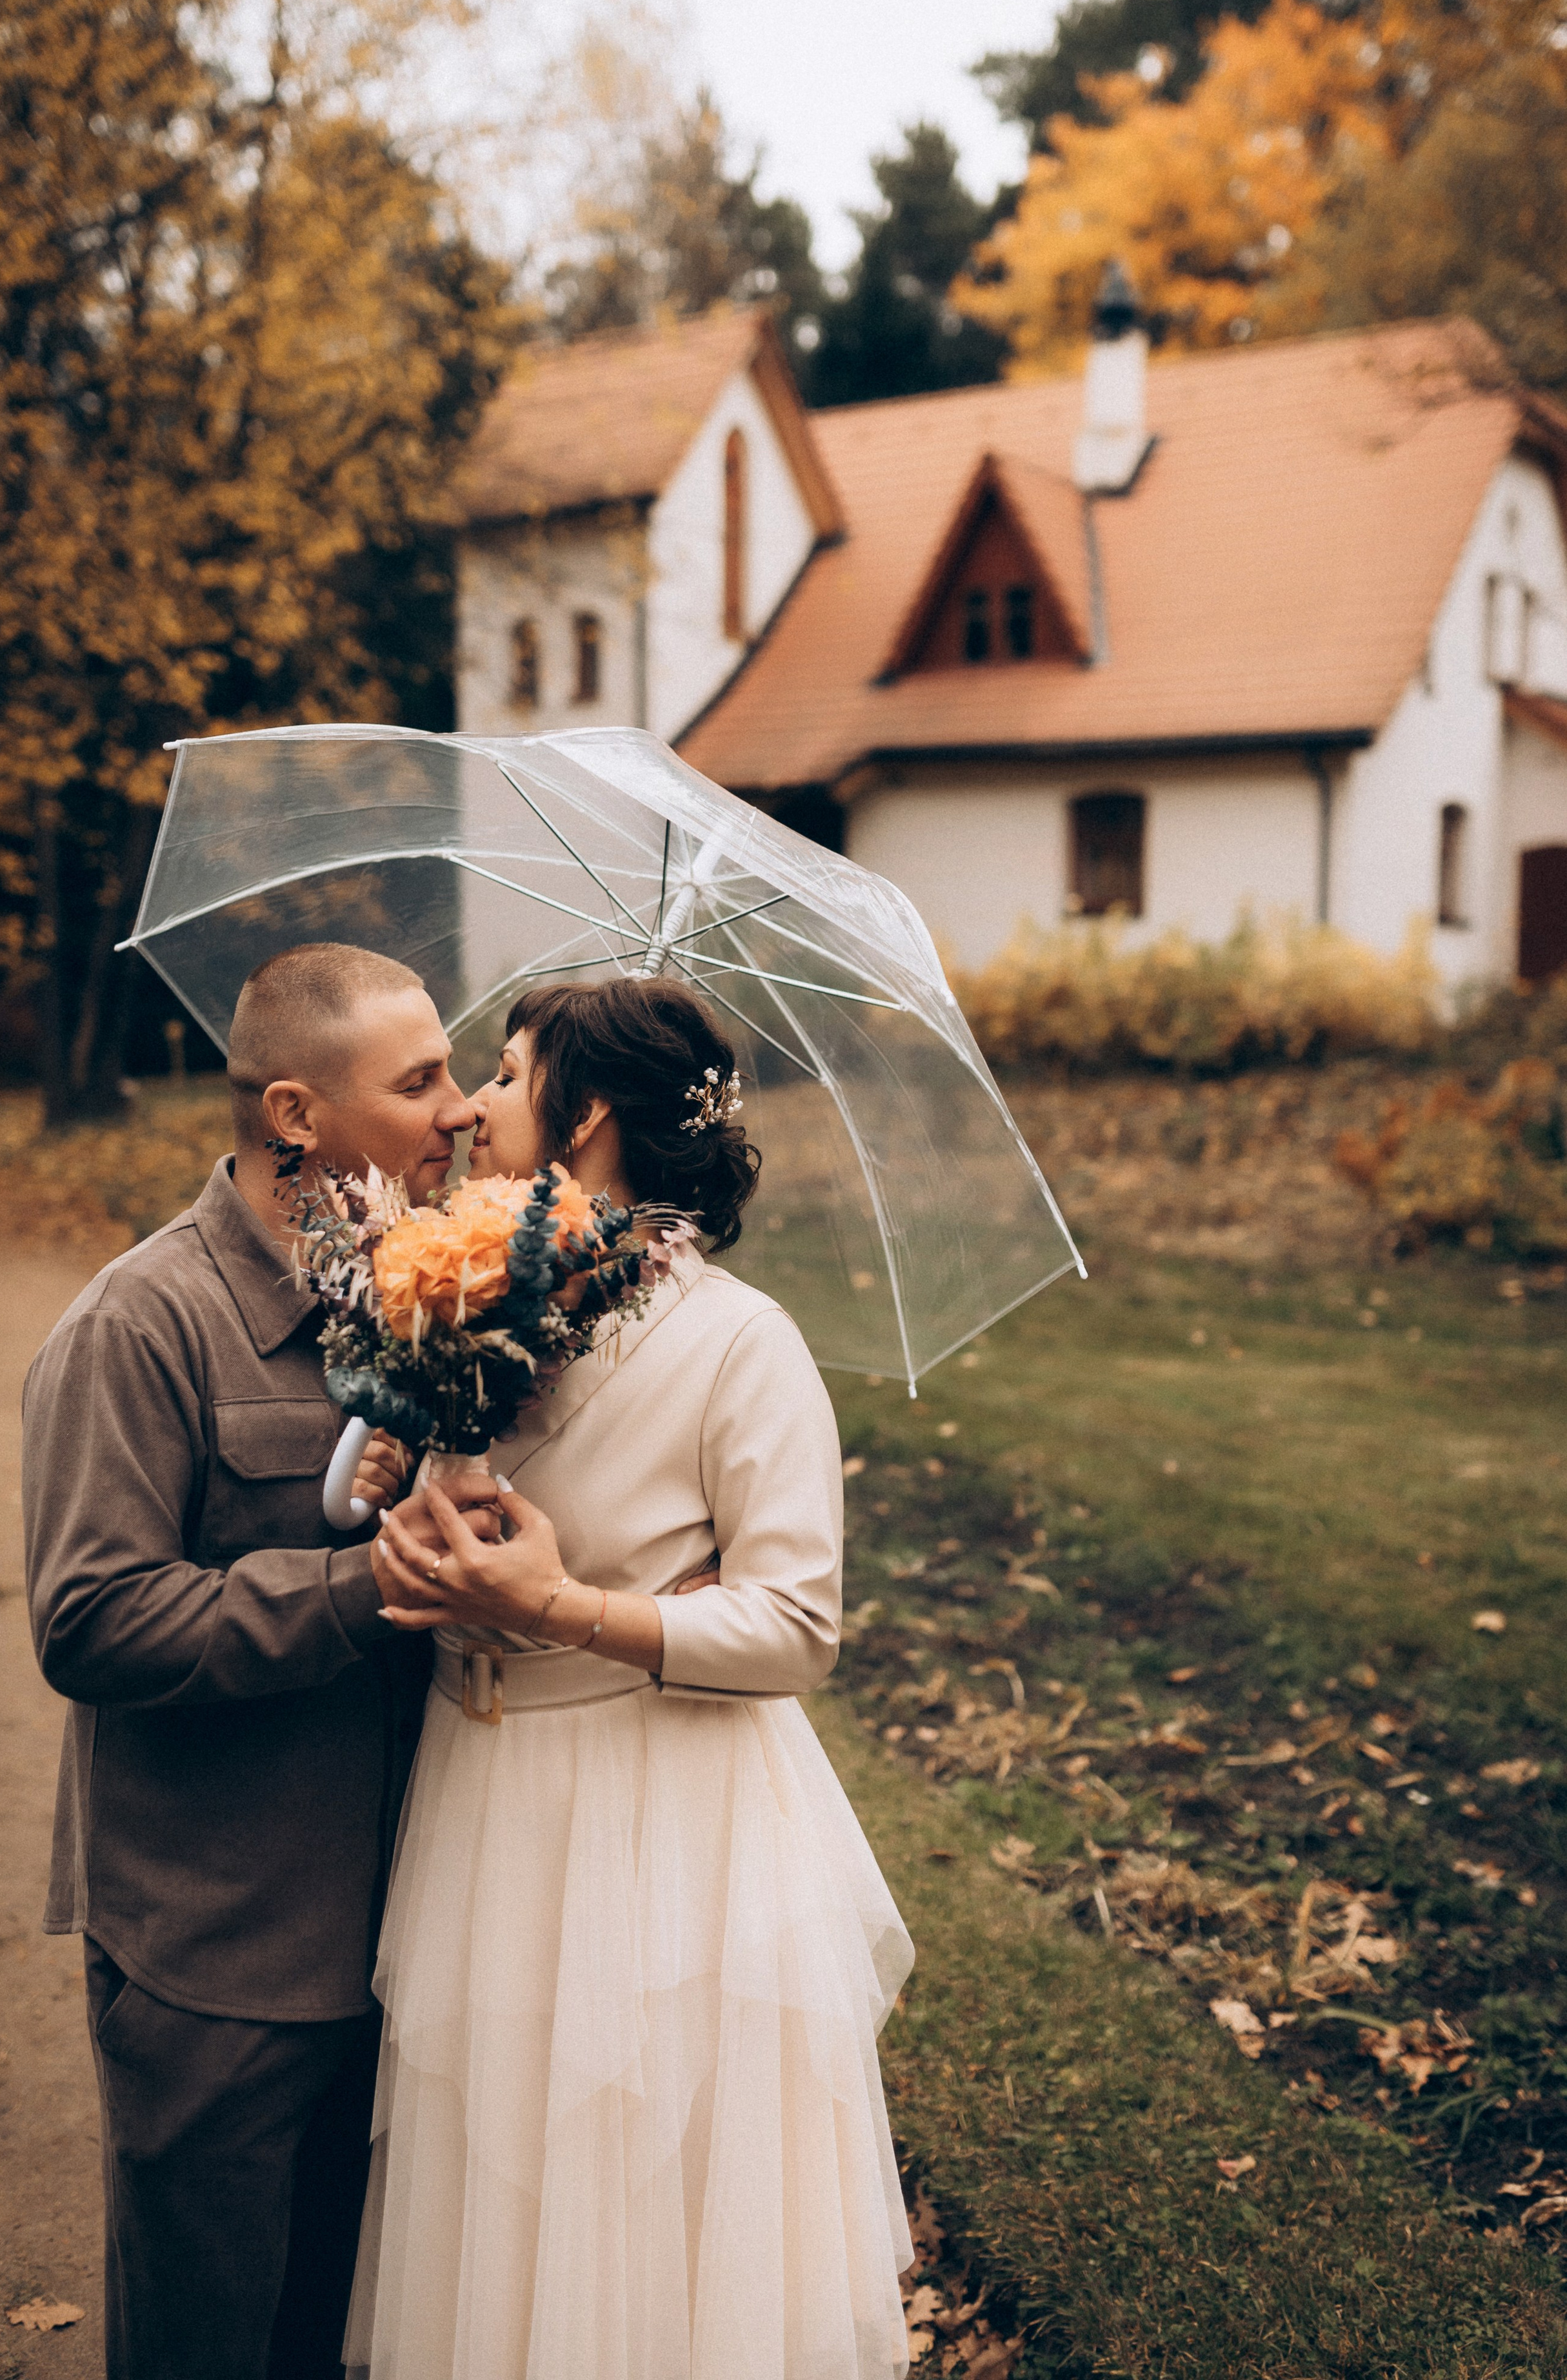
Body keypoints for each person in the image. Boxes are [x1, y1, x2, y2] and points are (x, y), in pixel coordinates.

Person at [344, 977, 915, 2380]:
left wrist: (565, 1608)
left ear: (587, 1110)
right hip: (482, 1797)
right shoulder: (473, 1299)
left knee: (641, 2206)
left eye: (506, 1070)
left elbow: (796, 1626)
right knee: (503, 2195)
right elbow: (428, 1503)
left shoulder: (740, 1343)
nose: (473, 1105)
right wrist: (396, 1497)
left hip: (655, 1818)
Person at [22, 941, 499, 2380]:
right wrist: (362, 1588)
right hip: (216, 1955)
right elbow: (91, 1618)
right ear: (295, 1113)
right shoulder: (139, 1325)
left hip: (402, 1942)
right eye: (418, 1081)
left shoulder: (416, 1304)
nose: (460, 1108)